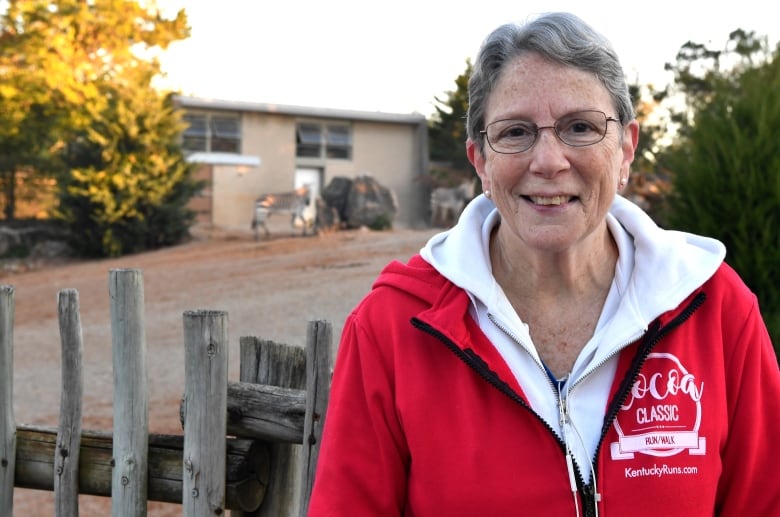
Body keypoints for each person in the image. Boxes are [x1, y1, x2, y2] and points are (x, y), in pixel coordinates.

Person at [307, 12, 780, 517]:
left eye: (580, 127)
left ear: (625, 150)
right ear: (481, 162)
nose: (549, 161)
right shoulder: (393, 330)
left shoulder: (715, 308)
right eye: (516, 132)